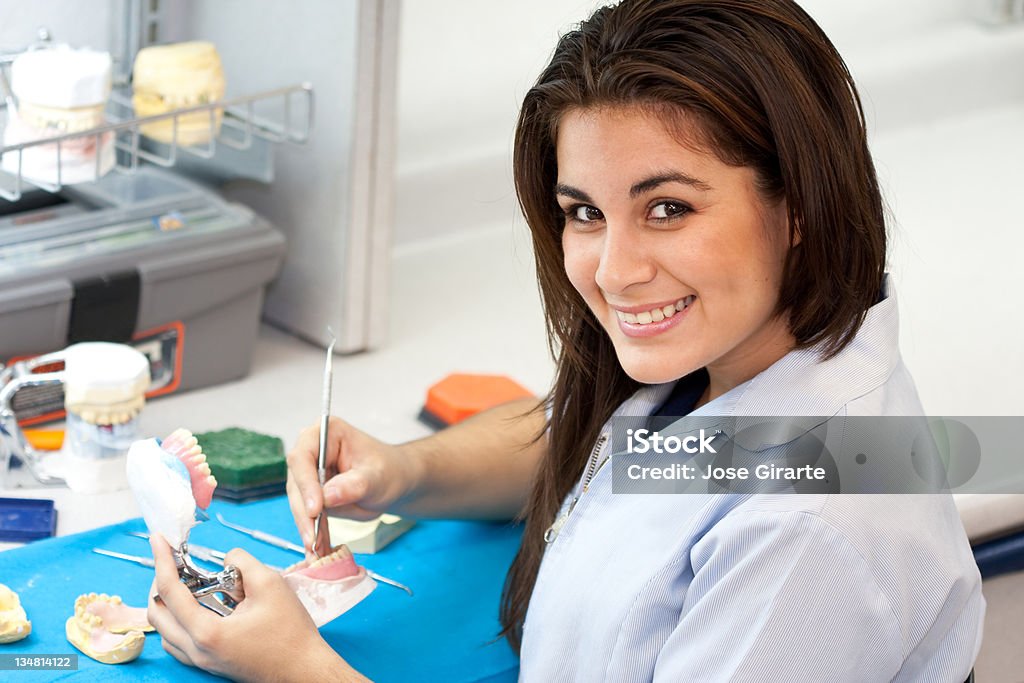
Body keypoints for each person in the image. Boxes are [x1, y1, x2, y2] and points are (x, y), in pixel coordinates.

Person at [147, 0, 985, 680]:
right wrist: (406, 471)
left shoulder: (812, 532)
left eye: (668, 208)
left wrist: (296, 667)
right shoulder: (744, 364)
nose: (614, 271)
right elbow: (600, 453)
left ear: (798, 205)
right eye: (584, 211)